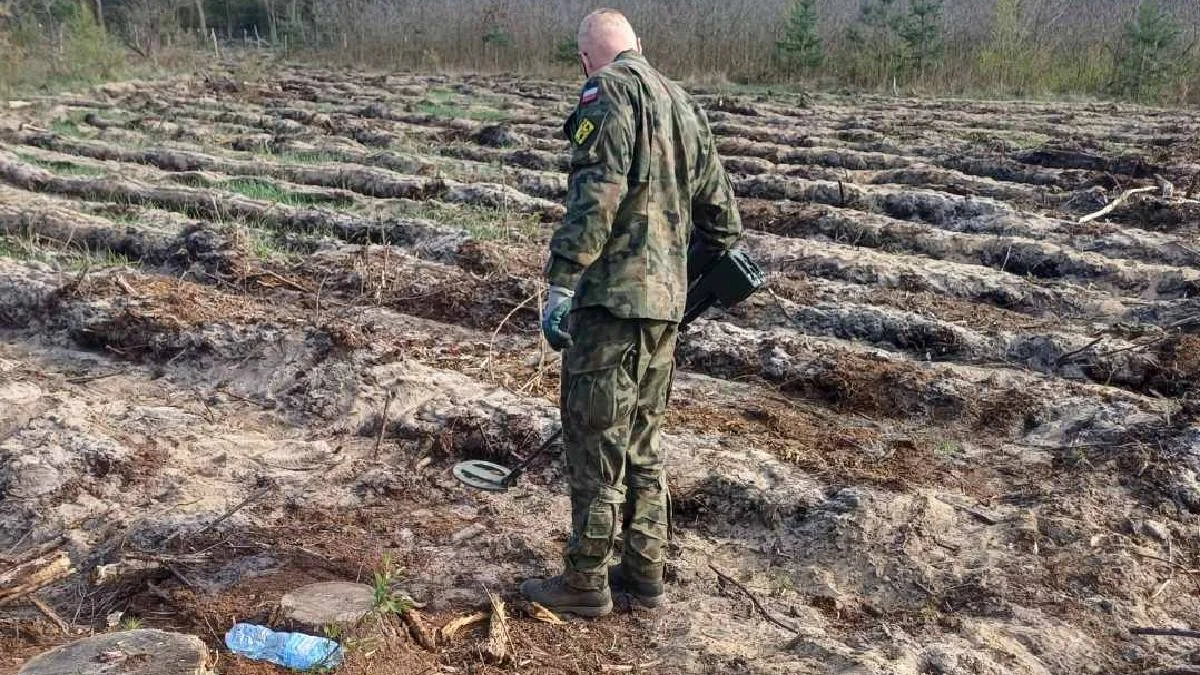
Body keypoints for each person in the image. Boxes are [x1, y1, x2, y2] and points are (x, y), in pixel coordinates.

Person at [521, 8, 742, 617]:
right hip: (665, 309)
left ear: (586, 60)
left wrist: (562, 282)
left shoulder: (606, 93)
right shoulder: (684, 105)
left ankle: (586, 581)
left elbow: (597, 196)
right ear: (637, 45)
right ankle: (644, 573)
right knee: (643, 439)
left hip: (612, 305)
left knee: (596, 439)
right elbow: (724, 220)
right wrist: (679, 280)